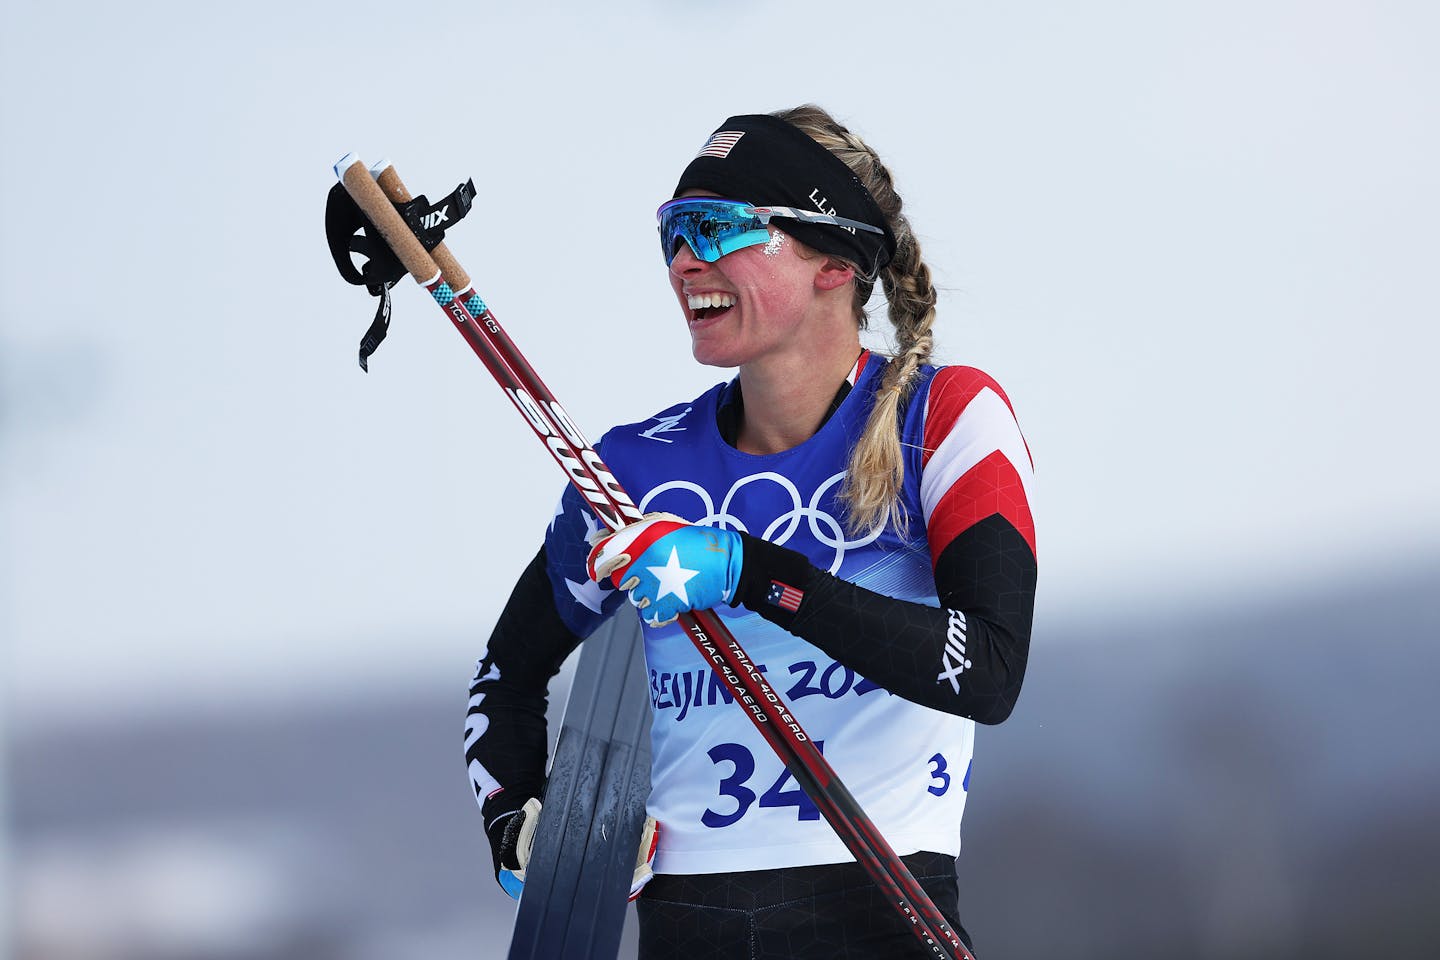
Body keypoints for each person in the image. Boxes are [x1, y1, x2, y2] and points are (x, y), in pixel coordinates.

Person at [466, 105, 1037, 959]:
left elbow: (986, 670)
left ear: (834, 261)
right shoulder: (636, 468)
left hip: (879, 909)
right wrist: (519, 815)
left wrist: (749, 571)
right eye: (671, 235)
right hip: (691, 925)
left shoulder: (944, 419)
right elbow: (506, 675)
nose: (684, 262)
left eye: (716, 228)